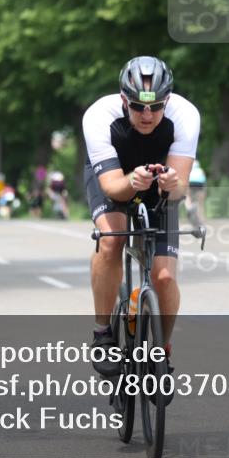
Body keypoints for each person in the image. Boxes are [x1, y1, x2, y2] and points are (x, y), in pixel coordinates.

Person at [82, 55, 199, 386]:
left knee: (163, 277)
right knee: (112, 239)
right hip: (114, 177)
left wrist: (173, 185)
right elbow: (113, 188)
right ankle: (103, 334)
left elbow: (180, 188)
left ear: (168, 100)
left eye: (156, 106)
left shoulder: (185, 115)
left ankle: (161, 352)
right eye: (137, 107)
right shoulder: (99, 116)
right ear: (123, 100)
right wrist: (132, 181)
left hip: (159, 184)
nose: (147, 115)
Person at [185, 159, 208, 225]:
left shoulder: (189, 170)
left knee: (187, 196)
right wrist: (204, 191)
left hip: (191, 182)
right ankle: (201, 219)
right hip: (200, 184)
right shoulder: (200, 170)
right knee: (200, 203)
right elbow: (204, 182)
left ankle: (189, 207)